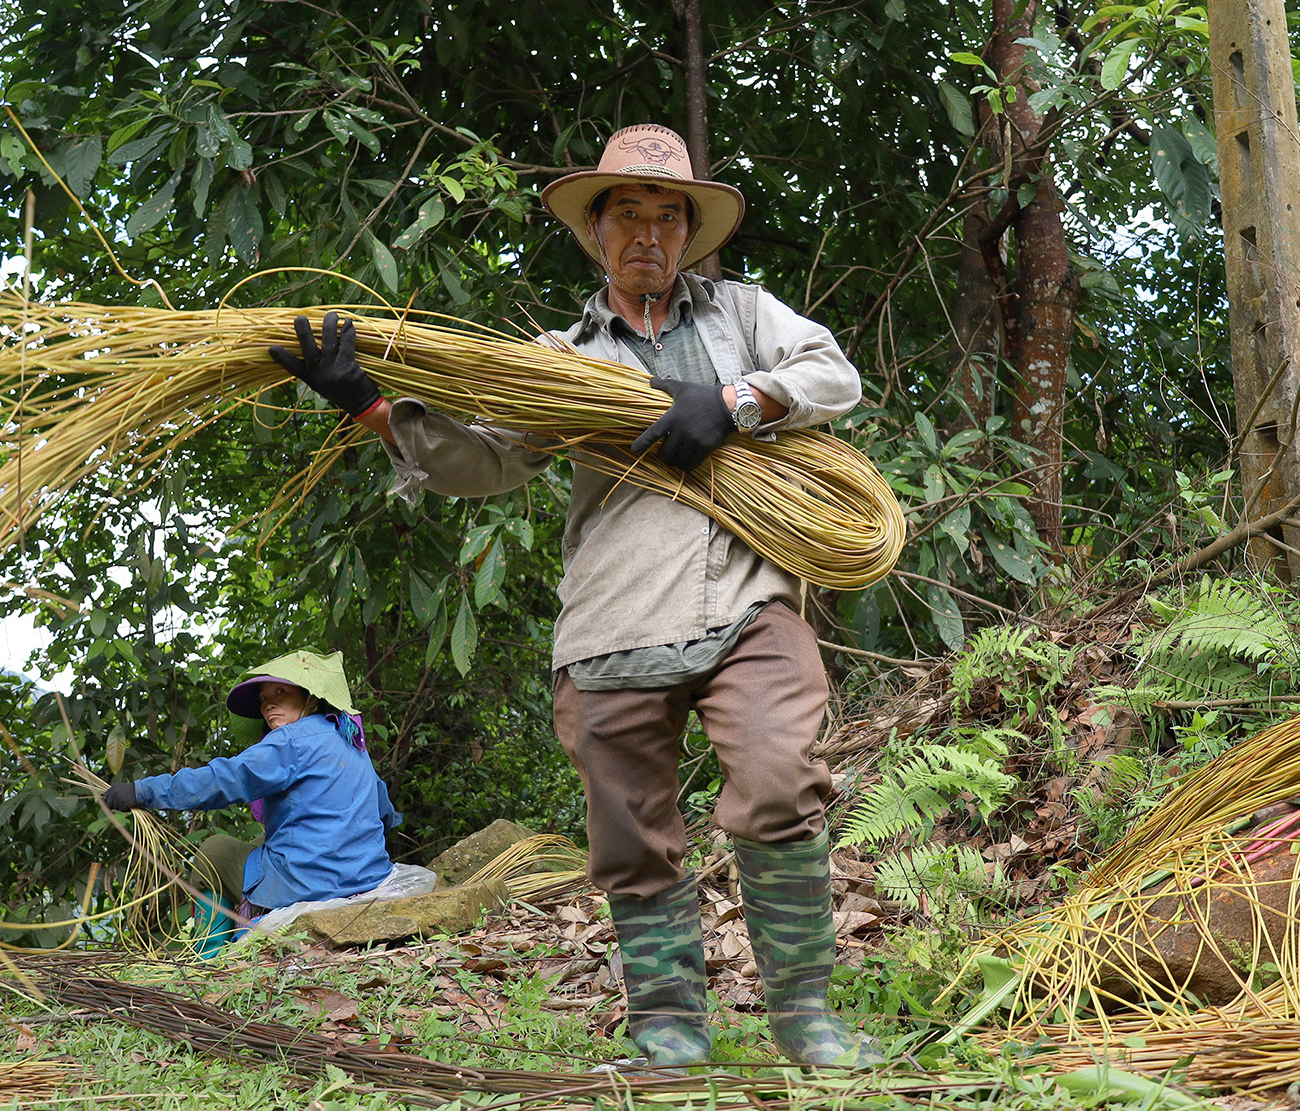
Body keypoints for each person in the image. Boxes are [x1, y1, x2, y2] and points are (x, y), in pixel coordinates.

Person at [268, 123, 883, 1068]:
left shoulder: (745, 316)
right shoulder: (557, 356)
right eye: (626, 215)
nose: (647, 233)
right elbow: (484, 461)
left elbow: (830, 374)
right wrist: (370, 406)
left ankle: (804, 1015)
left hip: (750, 596)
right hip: (614, 617)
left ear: (688, 232)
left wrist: (733, 403)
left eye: (666, 217)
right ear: (594, 232)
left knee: (776, 781)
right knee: (631, 833)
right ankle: (667, 1029)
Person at [102, 648, 401, 957]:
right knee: (262, 841)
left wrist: (144, 791)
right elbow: (384, 812)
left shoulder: (290, 741)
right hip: (367, 876)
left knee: (215, 851)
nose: (268, 703)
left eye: (281, 692)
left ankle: (208, 957)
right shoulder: (350, 740)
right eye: (263, 698)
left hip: (311, 885)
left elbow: (224, 779)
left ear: (310, 697)